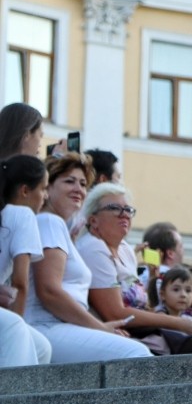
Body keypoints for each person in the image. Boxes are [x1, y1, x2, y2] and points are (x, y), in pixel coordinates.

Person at [25, 154, 151, 362]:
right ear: (47, 188)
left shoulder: (57, 226)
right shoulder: (49, 222)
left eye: (83, 184)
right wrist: (99, 327)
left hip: (59, 326)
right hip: (47, 326)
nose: (79, 189)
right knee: (136, 354)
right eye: (69, 181)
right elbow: (49, 291)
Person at [76, 183, 192, 342]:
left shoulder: (125, 249)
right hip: (109, 336)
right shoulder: (93, 248)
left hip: (139, 334)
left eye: (128, 209)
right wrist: (176, 323)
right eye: (114, 208)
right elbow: (115, 313)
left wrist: (152, 281)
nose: (124, 215)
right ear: (93, 220)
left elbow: (139, 305)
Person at [0, 155, 51, 366]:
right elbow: (20, 284)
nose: (46, 196)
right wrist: (17, 325)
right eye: (43, 188)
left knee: (41, 347)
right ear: (24, 191)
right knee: (16, 328)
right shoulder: (23, 215)